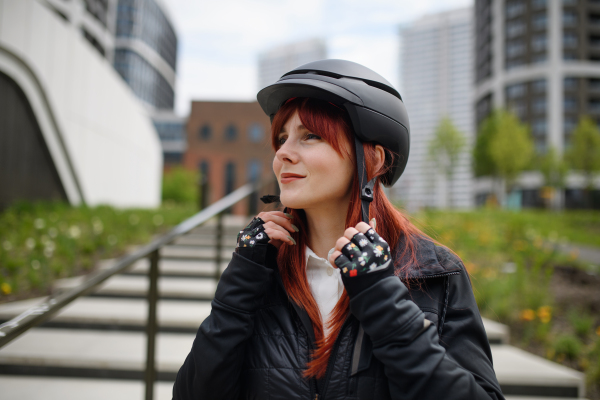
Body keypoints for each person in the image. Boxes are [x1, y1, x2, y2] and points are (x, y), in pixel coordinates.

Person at [173, 60, 504, 400]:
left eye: (310, 136)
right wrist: (237, 289)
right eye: (283, 138)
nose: (283, 154)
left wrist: (382, 299)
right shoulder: (260, 270)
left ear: (372, 160)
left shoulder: (436, 272)